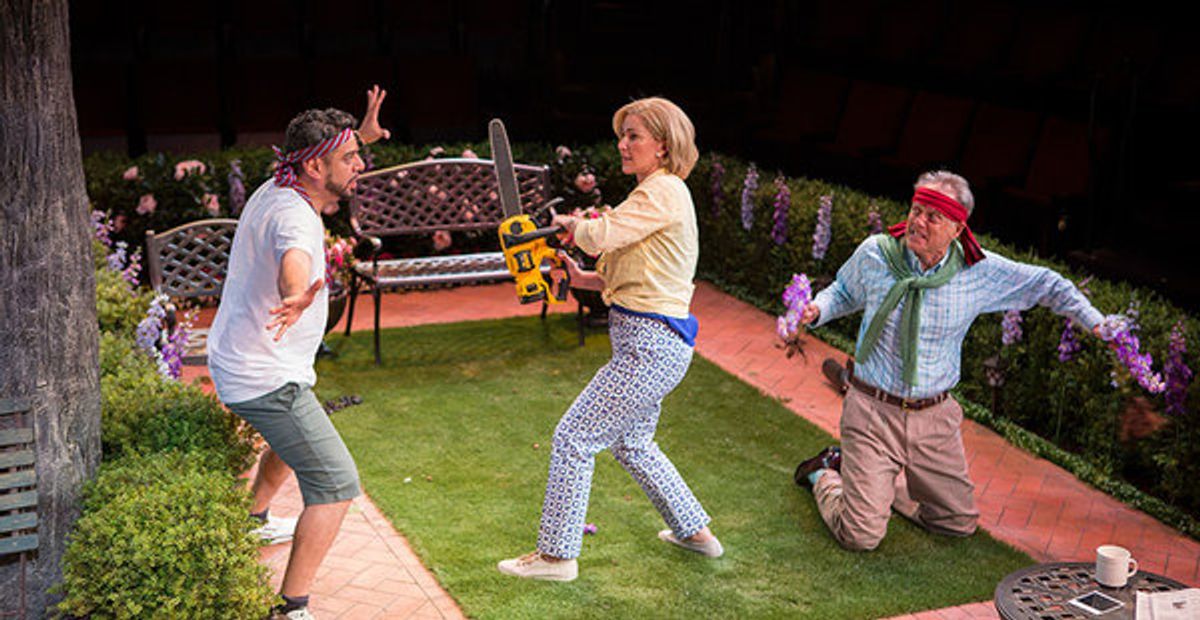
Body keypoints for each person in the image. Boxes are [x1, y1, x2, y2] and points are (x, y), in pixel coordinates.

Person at [789, 170, 1111, 552]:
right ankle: (826, 473)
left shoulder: (979, 272)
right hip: (872, 410)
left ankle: (868, 483)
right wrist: (817, 308)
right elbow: (843, 290)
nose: (918, 221)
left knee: (955, 524)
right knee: (860, 536)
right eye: (916, 210)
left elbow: (1048, 284)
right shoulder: (877, 253)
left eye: (932, 216)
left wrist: (1096, 323)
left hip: (934, 418)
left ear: (957, 229)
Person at [497, 97, 722, 582]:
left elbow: (601, 236)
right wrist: (575, 276)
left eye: (634, 136)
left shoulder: (662, 191)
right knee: (634, 444)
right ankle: (695, 532)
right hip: (653, 340)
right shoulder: (655, 195)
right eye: (623, 135)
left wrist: (569, 226)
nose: (623, 144)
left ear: (663, 147)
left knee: (574, 437)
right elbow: (628, 276)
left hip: (649, 345)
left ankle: (557, 557)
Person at [207, 86, 389, 619]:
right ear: (313, 166)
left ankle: (254, 518)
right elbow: (294, 259)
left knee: (292, 444)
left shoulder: (280, 183)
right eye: (350, 157)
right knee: (335, 484)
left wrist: (365, 130)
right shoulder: (295, 219)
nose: (360, 165)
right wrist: (294, 296)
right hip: (264, 375)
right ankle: (292, 608)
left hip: (254, 360)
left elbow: (332, 156)